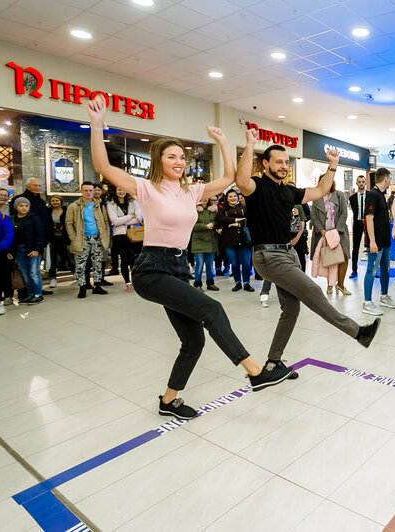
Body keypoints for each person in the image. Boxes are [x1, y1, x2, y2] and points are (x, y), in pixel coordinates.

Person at [87, 95, 293, 419]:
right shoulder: (146, 187)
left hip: (179, 269)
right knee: (213, 308)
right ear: (159, 161)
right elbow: (103, 166)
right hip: (152, 268)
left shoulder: (191, 190)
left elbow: (227, 178)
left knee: (194, 340)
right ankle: (255, 371)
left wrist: (224, 141)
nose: (179, 162)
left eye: (182, 157)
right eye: (172, 157)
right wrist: (97, 125)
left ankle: (168, 401)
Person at [237, 134, 381, 378]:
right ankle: (359, 333)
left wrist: (333, 165)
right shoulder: (256, 187)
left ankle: (273, 362)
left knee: (291, 309)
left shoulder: (288, 191)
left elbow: (322, 188)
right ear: (265, 164)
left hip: (288, 252)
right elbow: (240, 181)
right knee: (313, 292)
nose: (283, 166)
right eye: (277, 162)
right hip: (268, 255)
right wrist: (250, 145)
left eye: (285, 162)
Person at [362, 168, 395, 315]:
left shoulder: (382, 195)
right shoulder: (372, 194)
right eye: (389, 178)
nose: (390, 181)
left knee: (385, 269)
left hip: (385, 241)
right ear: (385, 179)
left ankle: (384, 296)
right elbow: (369, 219)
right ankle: (367, 302)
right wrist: (372, 242)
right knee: (371, 270)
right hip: (376, 242)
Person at [65, 182, 110, 298]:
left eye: (91, 190)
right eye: (86, 190)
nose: (89, 193)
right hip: (82, 239)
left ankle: (97, 286)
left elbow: (105, 221)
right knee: (80, 265)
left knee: (98, 263)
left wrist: (105, 235)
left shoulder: (99, 205)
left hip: (97, 238)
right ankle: (82, 287)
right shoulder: (74, 206)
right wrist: (73, 237)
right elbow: (68, 223)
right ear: (81, 191)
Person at [310, 180, 351, 295]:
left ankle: (341, 285)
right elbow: (313, 215)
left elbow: (344, 213)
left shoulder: (339, 195)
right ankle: (330, 284)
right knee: (328, 258)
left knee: (344, 256)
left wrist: (336, 231)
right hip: (322, 234)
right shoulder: (316, 196)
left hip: (339, 232)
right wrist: (322, 231)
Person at [9, 197, 46, 304]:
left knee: (33, 272)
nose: (24, 208)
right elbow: (9, 236)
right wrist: (10, 251)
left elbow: (40, 235)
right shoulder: (12, 219)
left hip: (32, 249)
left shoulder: (34, 218)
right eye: (21, 206)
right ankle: (30, 294)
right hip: (18, 249)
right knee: (25, 273)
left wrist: (37, 249)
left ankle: (38, 294)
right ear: (16, 207)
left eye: (26, 206)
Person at [217, 189, 254, 292]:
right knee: (235, 263)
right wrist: (236, 219)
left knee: (246, 263)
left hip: (244, 240)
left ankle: (246, 283)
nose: (233, 198)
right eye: (230, 196)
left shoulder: (244, 208)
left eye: (235, 196)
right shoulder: (222, 209)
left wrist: (237, 224)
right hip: (229, 240)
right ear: (227, 199)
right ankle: (238, 282)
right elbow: (221, 219)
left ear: (238, 197)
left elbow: (248, 220)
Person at [106, 187, 138, 292]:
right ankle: (128, 283)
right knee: (125, 259)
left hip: (134, 234)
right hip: (119, 235)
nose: (121, 191)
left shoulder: (133, 203)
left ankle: (136, 281)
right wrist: (130, 216)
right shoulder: (111, 205)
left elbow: (138, 218)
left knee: (134, 259)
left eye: (124, 189)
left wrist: (123, 221)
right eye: (119, 189)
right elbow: (115, 221)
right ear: (115, 191)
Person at [191, 197, 220, 291]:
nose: (204, 200)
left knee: (210, 264)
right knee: (199, 264)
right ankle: (197, 284)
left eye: (206, 198)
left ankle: (210, 283)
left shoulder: (213, 210)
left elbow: (218, 222)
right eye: (202, 198)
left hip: (211, 241)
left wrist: (213, 224)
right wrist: (205, 226)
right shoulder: (193, 210)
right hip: (198, 241)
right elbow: (192, 225)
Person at [348, 175, 367, 279]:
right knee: (355, 248)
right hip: (357, 223)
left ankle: (372, 270)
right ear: (356, 183)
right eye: (359, 182)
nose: (361, 184)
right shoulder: (352, 198)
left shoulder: (370, 196)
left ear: (365, 183)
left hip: (368, 224)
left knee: (370, 247)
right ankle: (354, 270)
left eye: (363, 182)